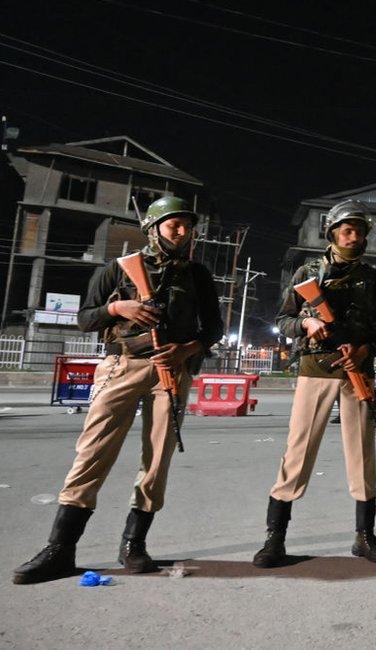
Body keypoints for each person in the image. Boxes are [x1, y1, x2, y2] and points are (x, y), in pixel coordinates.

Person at [12, 196, 223, 584]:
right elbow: (84, 319)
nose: (182, 231)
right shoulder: (118, 270)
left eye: (186, 226)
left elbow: (213, 329)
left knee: (157, 460)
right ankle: (60, 550)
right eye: (173, 224)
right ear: (153, 227)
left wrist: (187, 349)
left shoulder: (197, 275)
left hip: (171, 372)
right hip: (122, 366)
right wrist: (117, 309)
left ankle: (134, 545)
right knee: (93, 452)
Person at [252, 200, 376, 567]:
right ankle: (275, 538)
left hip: (358, 373)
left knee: (362, 455)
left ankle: (365, 537)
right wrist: (306, 325)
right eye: (348, 230)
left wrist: (365, 350)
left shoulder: (375, 278)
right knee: (298, 452)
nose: (355, 236)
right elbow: (284, 320)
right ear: (332, 233)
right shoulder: (308, 273)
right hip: (315, 369)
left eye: (360, 230)